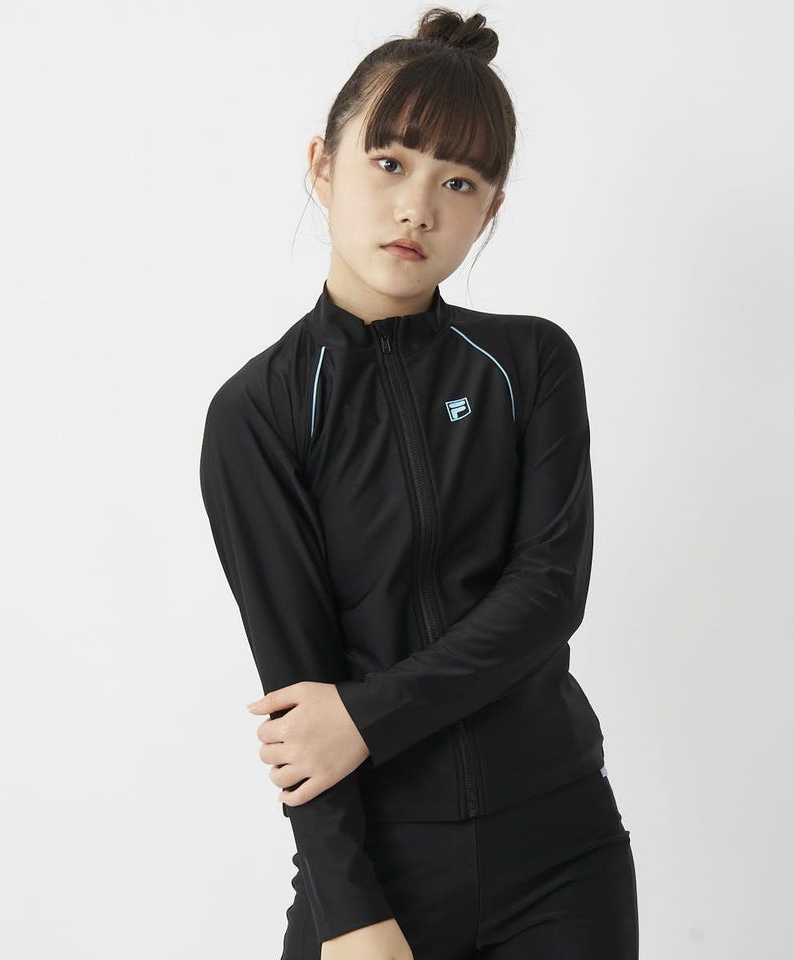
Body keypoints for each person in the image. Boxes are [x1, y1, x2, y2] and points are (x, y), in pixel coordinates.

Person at [198, 6, 639, 959]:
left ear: (492, 208)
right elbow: (297, 696)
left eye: (459, 182)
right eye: (389, 163)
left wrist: (365, 714)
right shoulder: (260, 412)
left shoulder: (531, 363)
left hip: (563, 854)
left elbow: (548, 593)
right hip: (379, 867)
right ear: (323, 166)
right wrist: (349, 912)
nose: (417, 209)